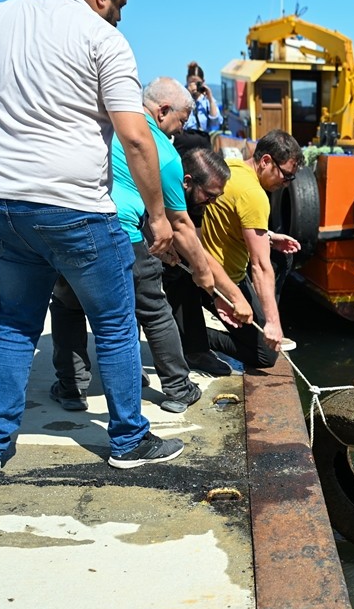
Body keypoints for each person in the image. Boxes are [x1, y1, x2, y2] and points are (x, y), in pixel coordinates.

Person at [0, 0, 184, 473]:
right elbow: (137, 138)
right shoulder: (104, 39)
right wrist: (158, 217)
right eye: (119, 3)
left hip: (1, 203)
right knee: (116, 325)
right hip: (74, 207)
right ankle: (129, 440)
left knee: (16, 322)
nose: (119, 15)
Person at [48, 77, 245, 415]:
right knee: (153, 308)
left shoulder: (103, 121)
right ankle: (178, 388)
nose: (181, 130)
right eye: (181, 120)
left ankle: (71, 387)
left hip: (71, 223)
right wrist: (205, 277)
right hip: (121, 229)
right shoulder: (165, 154)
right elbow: (181, 224)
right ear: (163, 110)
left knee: (67, 305)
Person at [177, 129, 303, 374]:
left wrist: (268, 236)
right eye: (286, 175)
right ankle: (196, 337)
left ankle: (191, 332)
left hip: (203, 269)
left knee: (279, 258)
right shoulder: (255, 195)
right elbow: (260, 266)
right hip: (224, 280)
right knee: (265, 355)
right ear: (266, 161)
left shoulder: (229, 169)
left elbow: (226, 218)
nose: (286, 183)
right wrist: (274, 324)